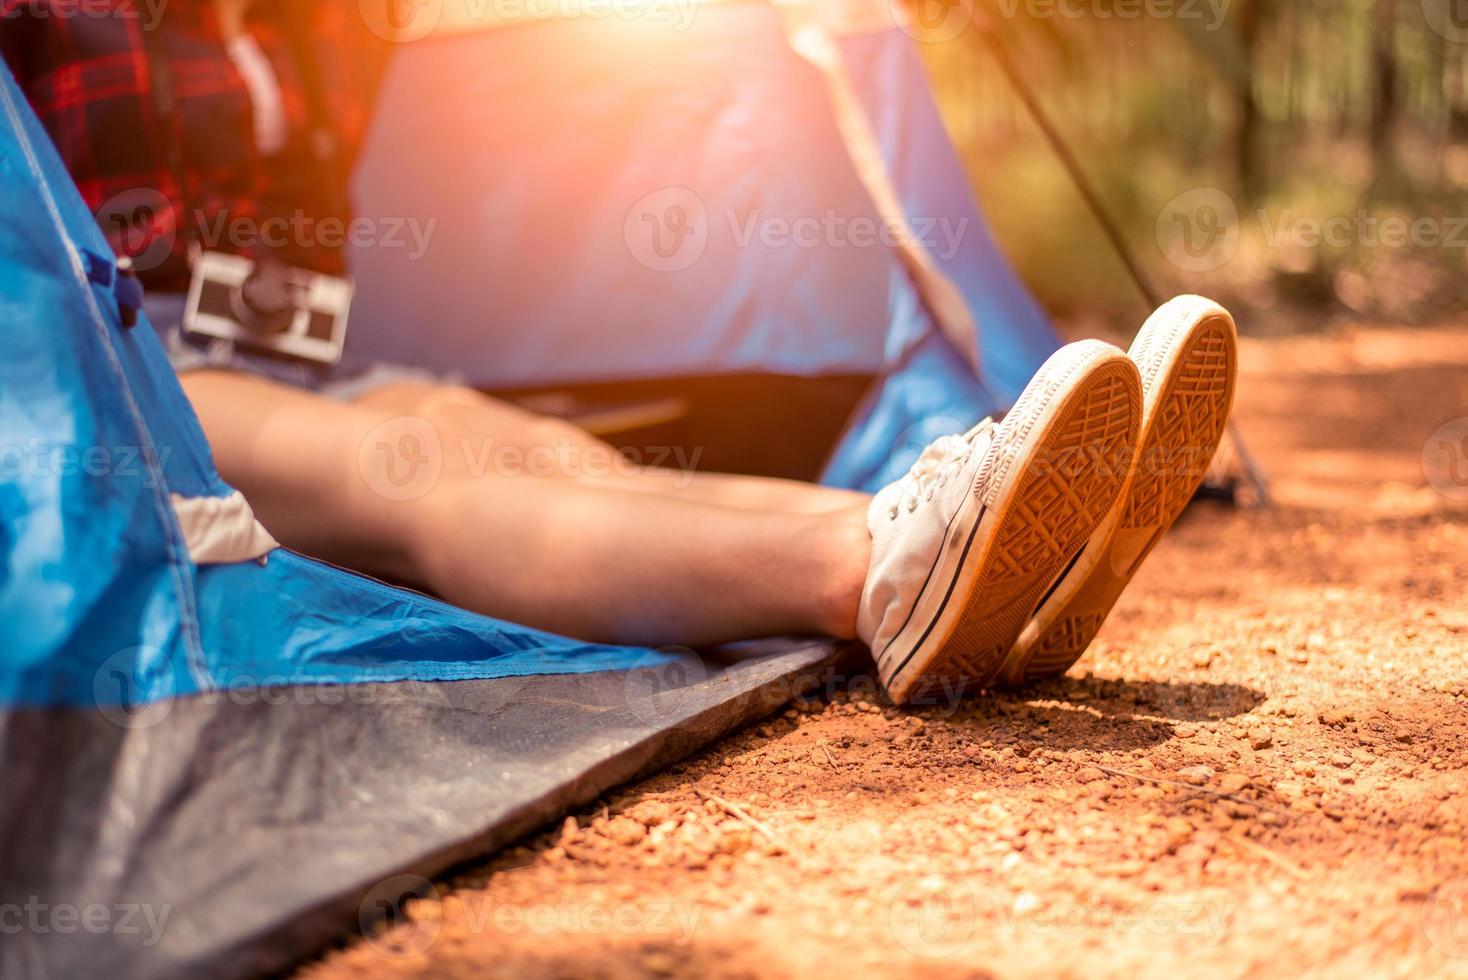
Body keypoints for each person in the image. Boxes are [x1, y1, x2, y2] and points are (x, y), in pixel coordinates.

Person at [0, 0, 1236, 704]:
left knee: (534, 443)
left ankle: (969, 561)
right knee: (417, 466)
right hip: (120, 376)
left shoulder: (299, 21)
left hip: (287, 349)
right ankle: (876, 560)